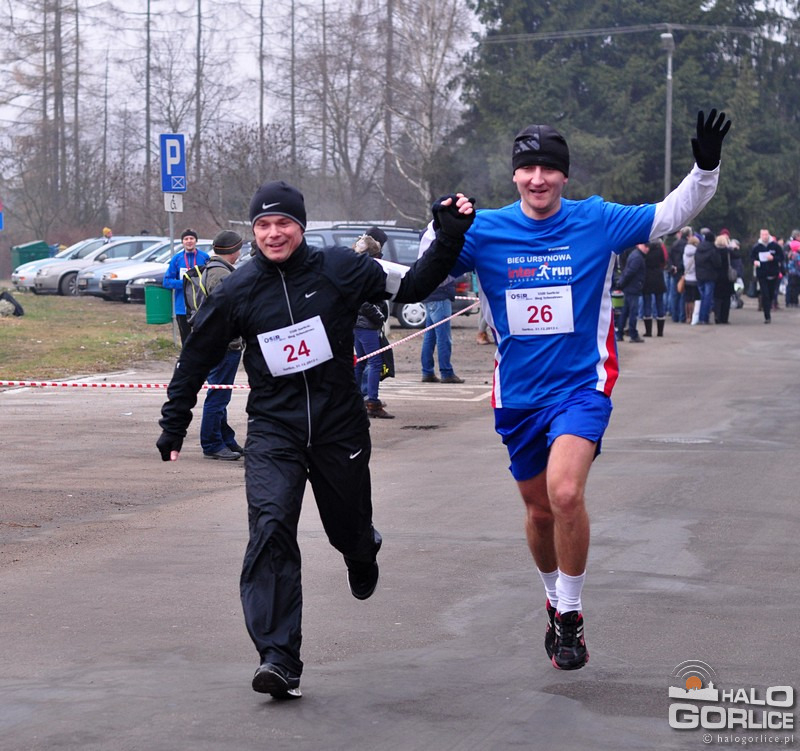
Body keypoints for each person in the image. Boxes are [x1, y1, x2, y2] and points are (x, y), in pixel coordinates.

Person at [156, 180, 475, 699]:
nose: (273, 233)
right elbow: (195, 356)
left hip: (337, 424)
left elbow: (416, 283)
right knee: (270, 530)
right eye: (263, 224)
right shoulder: (237, 289)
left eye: (283, 223)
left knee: (347, 526)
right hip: (273, 429)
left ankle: (361, 550)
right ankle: (279, 658)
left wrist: (449, 235)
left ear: (300, 227)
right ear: (253, 230)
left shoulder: (342, 268)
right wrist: (174, 422)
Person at [439, 109, 730, 671]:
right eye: (528, 169)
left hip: (581, 387)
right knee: (538, 511)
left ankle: (570, 615)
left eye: (549, 169)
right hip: (517, 394)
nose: (538, 179)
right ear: (514, 175)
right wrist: (437, 227)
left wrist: (705, 169)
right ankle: (554, 598)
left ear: (564, 175)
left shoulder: (597, 219)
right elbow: (427, 268)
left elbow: (671, 213)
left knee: (566, 493)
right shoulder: (487, 229)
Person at [197, 230, 246, 460]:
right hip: (223, 344)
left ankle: (225, 438)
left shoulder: (217, 269)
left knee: (221, 395)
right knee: (217, 396)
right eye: (239, 248)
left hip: (221, 342)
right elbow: (225, 310)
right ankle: (212, 444)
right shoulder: (220, 274)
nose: (240, 253)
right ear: (232, 250)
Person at [352, 226, 395, 419]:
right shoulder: (366, 271)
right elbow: (364, 301)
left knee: (361, 362)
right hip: (366, 324)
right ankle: (372, 402)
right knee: (375, 362)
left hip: (358, 323)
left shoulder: (355, 268)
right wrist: (378, 316)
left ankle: (356, 399)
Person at [163, 229, 210, 344]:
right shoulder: (177, 259)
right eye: (186, 239)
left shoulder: (204, 257)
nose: (189, 241)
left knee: (202, 338)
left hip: (201, 306)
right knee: (186, 340)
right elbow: (167, 282)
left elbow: (210, 278)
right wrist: (185, 283)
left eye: (191, 238)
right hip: (182, 307)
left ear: (196, 241)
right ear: (182, 242)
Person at [419, 273, 465, 384]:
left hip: (430, 296)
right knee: (443, 338)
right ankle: (446, 372)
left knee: (430, 337)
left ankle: (427, 371)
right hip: (441, 297)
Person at [615, 243, 648, 343]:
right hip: (633, 288)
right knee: (633, 312)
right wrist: (622, 283)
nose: (647, 249)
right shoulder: (637, 257)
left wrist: (621, 284)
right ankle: (633, 334)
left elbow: (628, 271)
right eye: (646, 246)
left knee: (624, 312)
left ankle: (620, 333)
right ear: (640, 245)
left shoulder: (634, 255)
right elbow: (630, 272)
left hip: (629, 287)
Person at [750, 228, 784, 323]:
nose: (764, 237)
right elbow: (751, 257)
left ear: (769, 235)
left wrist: (773, 258)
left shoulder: (775, 246)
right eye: (763, 235)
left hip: (773, 273)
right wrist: (754, 262)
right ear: (760, 236)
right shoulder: (756, 247)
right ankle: (767, 316)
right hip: (762, 274)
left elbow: (781, 257)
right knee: (765, 295)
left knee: (771, 294)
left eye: (766, 235)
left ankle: (769, 305)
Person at [641, 240, 667, 337]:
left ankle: (648, 331)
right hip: (658, 276)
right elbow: (664, 261)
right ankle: (660, 331)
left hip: (647, 277)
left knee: (647, 304)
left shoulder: (646, 250)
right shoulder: (660, 249)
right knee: (659, 303)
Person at [694, 228, 720, 324]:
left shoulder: (699, 248)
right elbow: (717, 263)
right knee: (707, 297)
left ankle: (699, 317)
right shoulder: (713, 249)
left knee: (702, 296)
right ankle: (704, 318)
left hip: (699, 274)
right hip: (710, 275)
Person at [667, 227, 690, 322]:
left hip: (674, 272)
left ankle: (674, 316)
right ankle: (682, 316)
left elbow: (669, 257)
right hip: (683, 273)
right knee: (682, 295)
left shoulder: (674, 244)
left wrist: (673, 267)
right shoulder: (687, 245)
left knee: (674, 295)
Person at [712, 233, 734, 324]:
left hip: (716, 277)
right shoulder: (728, 252)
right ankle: (724, 318)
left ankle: (717, 316)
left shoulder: (714, 251)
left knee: (717, 298)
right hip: (727, 277)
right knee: (726, 299)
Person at [682, 233, 700, 324]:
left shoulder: (685, 252)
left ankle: (687, 317)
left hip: (686, 277)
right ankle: (692, 316)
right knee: (693, 299)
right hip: (694, 278)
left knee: (687, 299)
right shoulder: (696, 253)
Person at [783, 230, 800, 307]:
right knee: (791, 285)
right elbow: (785, 256)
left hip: (795, 269)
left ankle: (794, 301)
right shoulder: (789, 244)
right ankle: (789, 301)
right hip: (792, 269)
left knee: (796, 286)